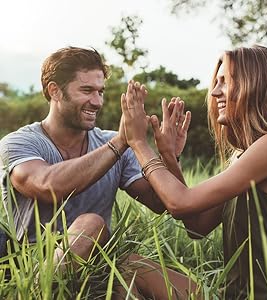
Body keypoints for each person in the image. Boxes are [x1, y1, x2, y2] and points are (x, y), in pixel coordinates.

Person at [0, 46, 198, 299]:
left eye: (100, 91)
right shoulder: (19, 143)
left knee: (194, 291)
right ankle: (35, 293)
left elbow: (163, 203)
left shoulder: (111, 143)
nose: (97, 101)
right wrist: (121, 142)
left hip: (101, 264)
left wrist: (170, 157)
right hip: (37, 266)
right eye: (87, 91)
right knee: (91, 223)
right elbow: (46, 185)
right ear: (54, 91)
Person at [121, 45, 267, 299]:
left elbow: (180, 203)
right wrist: (170, 157)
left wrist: (138, 143)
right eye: (216, 82)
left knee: (129, 267)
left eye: (225, 82)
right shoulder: (244, 155)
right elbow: (197, 226)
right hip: (228, 294)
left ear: (255, 86)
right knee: (130, 265)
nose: (215, 92)